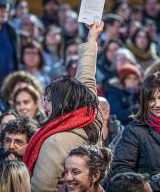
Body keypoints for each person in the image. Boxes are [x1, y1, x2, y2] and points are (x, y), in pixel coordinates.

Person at [22, 22, 103, 191]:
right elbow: (86, 77)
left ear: (61, 104)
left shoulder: (55, 142)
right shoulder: (92, 116)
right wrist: (91, 40)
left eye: (49, 100)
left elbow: (41, 189)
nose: (44, 105)